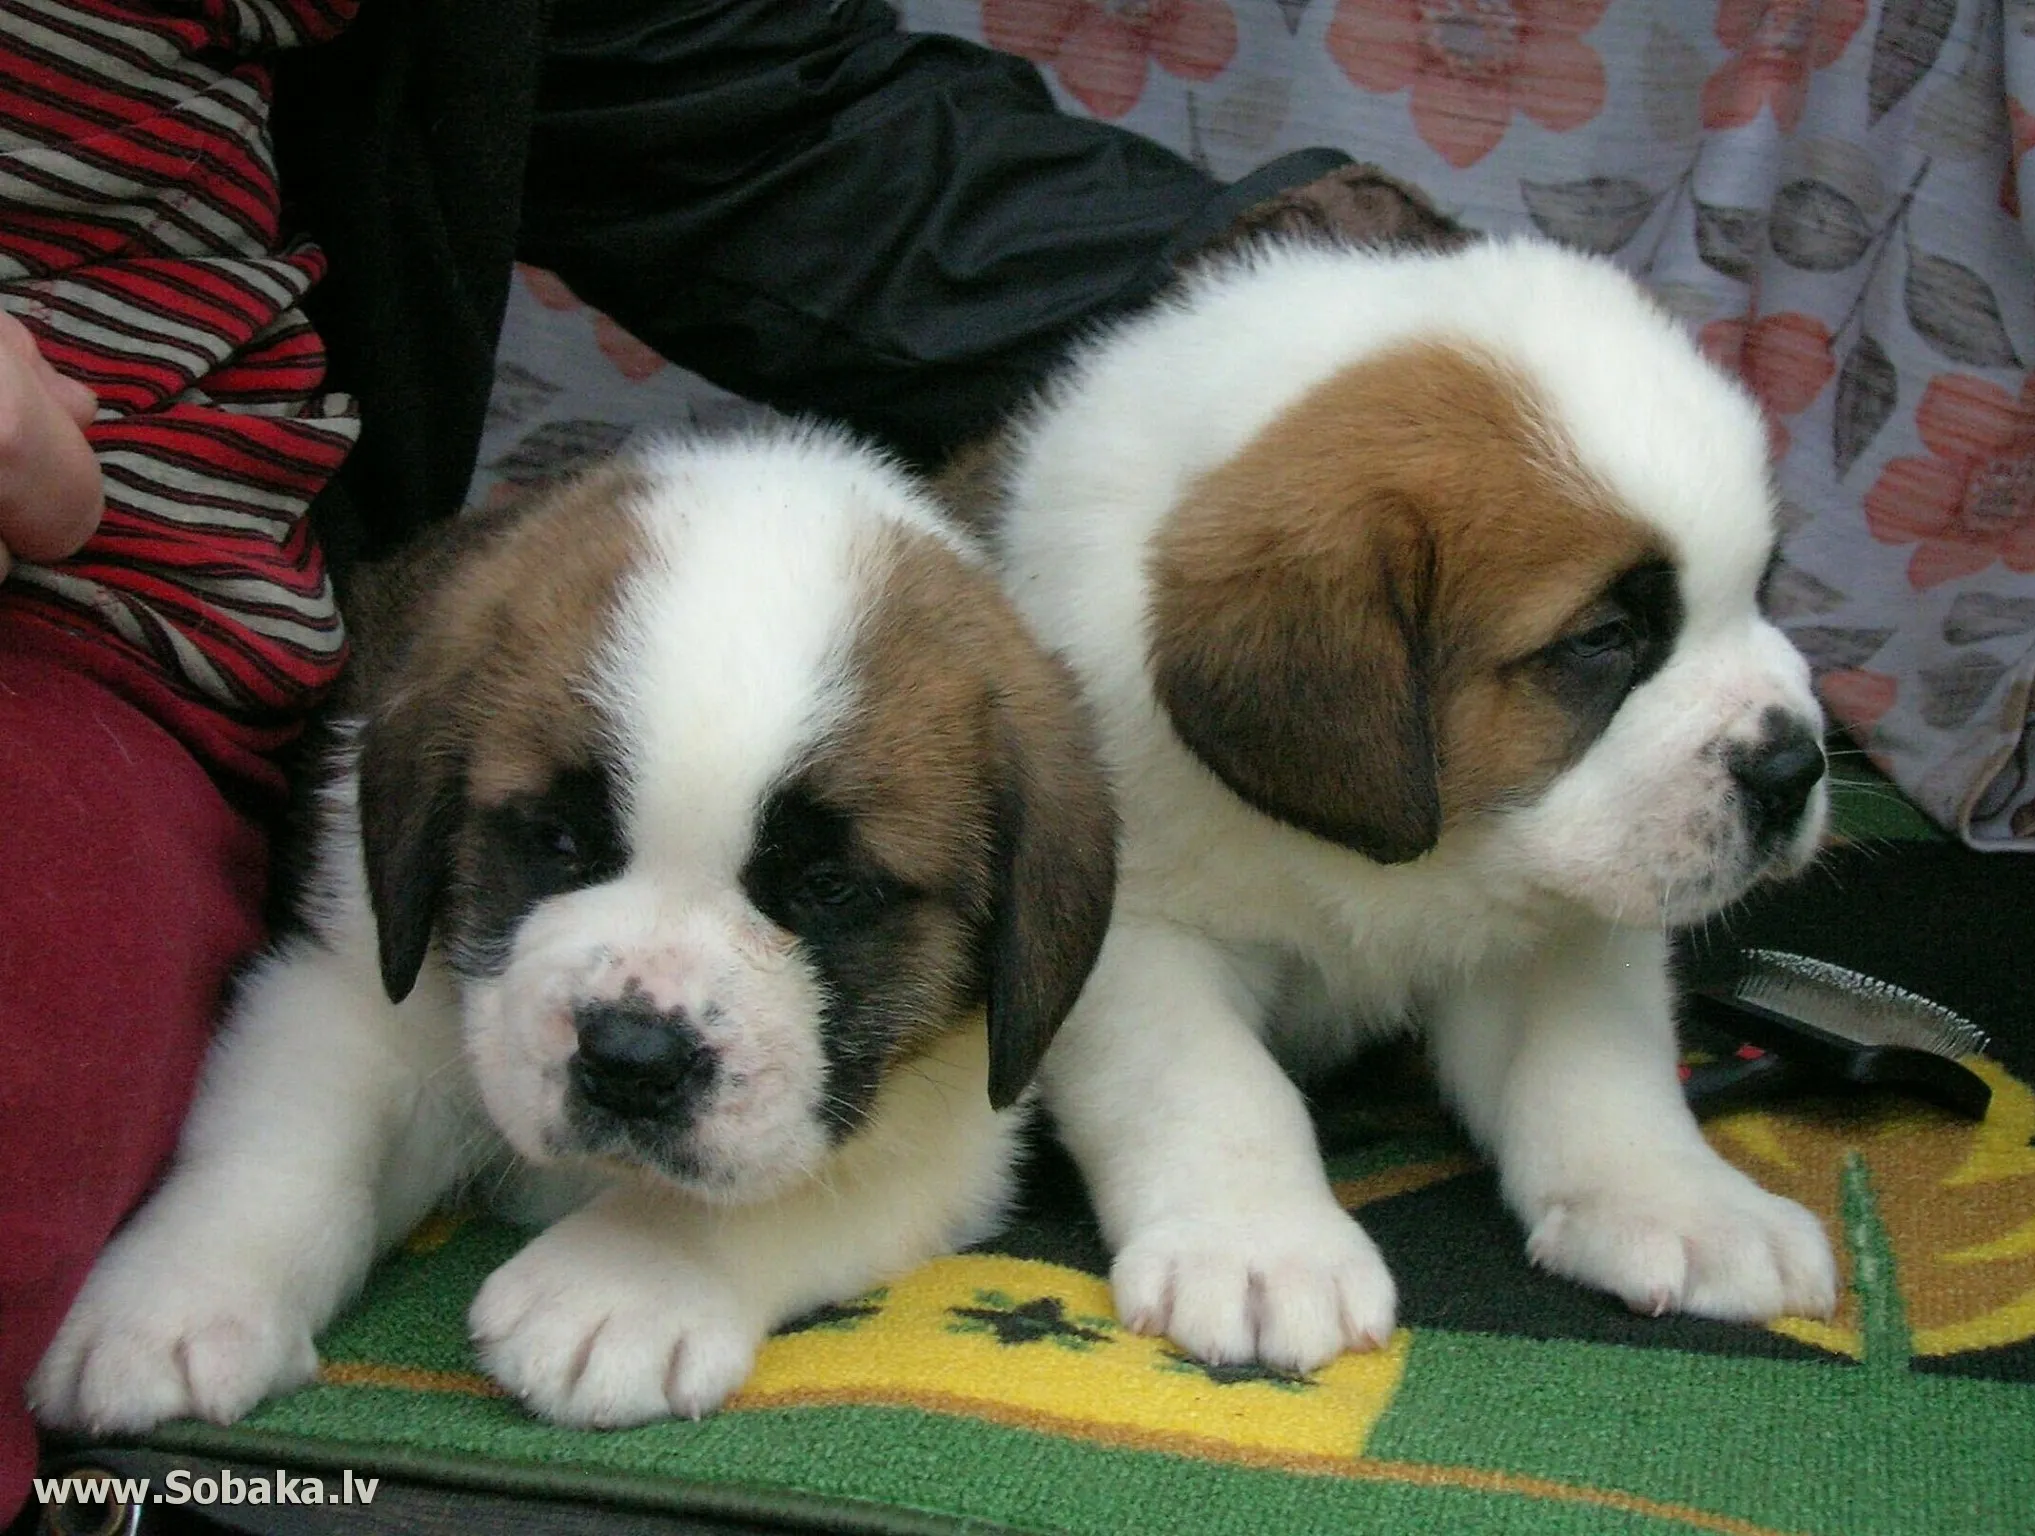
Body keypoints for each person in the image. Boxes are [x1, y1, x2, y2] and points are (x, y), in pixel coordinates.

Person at [0, 0, 1448, 1518]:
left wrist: (699, 1251)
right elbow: (352, 1026)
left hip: (116, 589)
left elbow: (947, 1143)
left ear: (1036, 927)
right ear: (415, 791)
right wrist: (246, 1240)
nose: (642, 1021)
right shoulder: (469, 680)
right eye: (555, 845)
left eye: (821, 892)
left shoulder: (1001, 767)